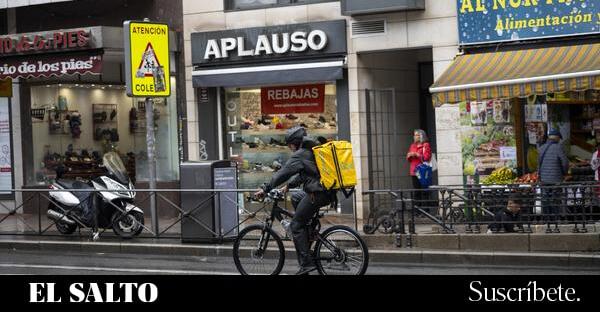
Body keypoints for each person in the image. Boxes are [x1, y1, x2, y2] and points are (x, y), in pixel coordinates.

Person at [254, 126, 334, 275]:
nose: (290, 148)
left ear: (295, 143)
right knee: (296, 197)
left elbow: (283, 173)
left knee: (296, 226)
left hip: (317, 194)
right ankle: (309, 230)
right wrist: (288, 187)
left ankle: (306, 264)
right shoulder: (310, 150)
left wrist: (265, 188)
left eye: (290, 144)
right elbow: (305, 175)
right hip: (325, 192)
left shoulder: (300, 154)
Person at [537, 128, 569, 232]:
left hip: (544, 180)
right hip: (556, 179)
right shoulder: (559, 148)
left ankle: (546, 219)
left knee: (545, 199)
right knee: (555, 198)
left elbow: (538, 165)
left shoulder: (541, 148)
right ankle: (556, 219)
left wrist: (540, 176)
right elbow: (564, 162)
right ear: (557, 138)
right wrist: (564, 173)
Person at [406, 129, 432, 212]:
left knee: (424, 192)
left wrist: (417, 154)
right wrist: (410, 155)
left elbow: (427, 158)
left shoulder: (426, 145)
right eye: (414, 135)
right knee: (416, 192)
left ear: (421, 136)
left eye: (416, 135)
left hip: (423, 171)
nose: (414, 137)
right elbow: (409, 159)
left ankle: (425, 211)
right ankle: (417, 212)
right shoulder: (412, 146)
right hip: (414, 171)